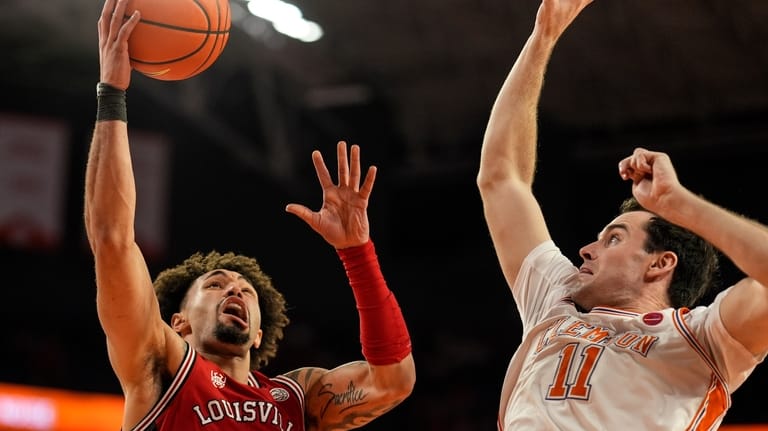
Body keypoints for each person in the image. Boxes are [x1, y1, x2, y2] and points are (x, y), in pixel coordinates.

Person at [84, 0, 415, 429]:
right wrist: (112, 94)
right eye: (216, 285)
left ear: (258, 333)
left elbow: (394, 382)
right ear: (179, 323)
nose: (235, 291)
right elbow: (112, 241)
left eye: (246, 291)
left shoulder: (296, 399)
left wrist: (358, 252)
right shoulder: (161, 367)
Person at [477, 0, 768, 429]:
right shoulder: (557, 301)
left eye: (613, 238)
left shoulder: (702, 339)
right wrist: (542, 39)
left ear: (660, 262)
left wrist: (677, 204)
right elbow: (501, 180)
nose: (586, 249)